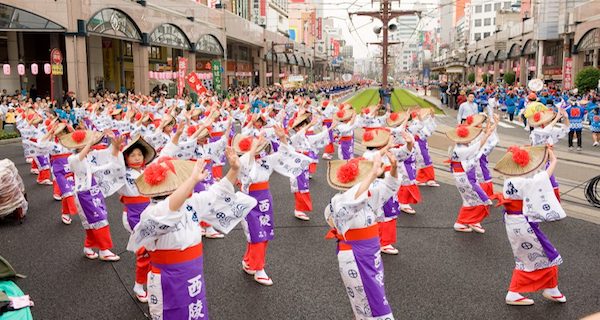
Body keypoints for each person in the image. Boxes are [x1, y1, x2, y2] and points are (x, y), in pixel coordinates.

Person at [127, 149, 256, 319]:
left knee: (195, 311)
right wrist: (192, 180)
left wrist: (234, 169)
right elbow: (169, 209)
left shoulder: (191, 203)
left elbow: (217, 192)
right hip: (168, 277)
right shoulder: (151, 212)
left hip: (193, 272)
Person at [324, 152, 400, 319]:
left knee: (371, 299)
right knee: (370, 302)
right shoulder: (338, 202)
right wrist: (372, 174)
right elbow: (351, 204)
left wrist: (393, 168)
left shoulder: (366, 196)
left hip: (370, 253)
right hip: (355, 256)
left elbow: (388, 187)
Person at [494, 145, 567, 306]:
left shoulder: (509, 181)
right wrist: (553, 160)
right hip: (524, 224)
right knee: (547, 254)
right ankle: (516, 292)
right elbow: (542, 178)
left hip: (514, 223)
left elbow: (534, 177)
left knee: (526, 258)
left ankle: (552, 288)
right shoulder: (524, 182)